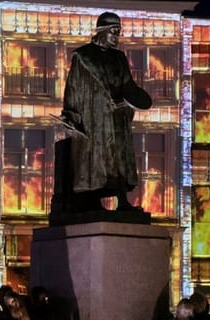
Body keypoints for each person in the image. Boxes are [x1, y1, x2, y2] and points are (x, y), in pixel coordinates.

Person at [52, 11, 152, 215]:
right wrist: (70, 114)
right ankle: (92, 201)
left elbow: (128, 85)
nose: (117, 37)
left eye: (119, 32)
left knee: (120, 159)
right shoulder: (83, 56)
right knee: (95, 159)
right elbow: (73, 87)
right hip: (94, 115)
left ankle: (122, 200)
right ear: (102, 31)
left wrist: (132, 101)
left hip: (117, 116)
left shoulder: (120, 58)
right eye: (114, 32)